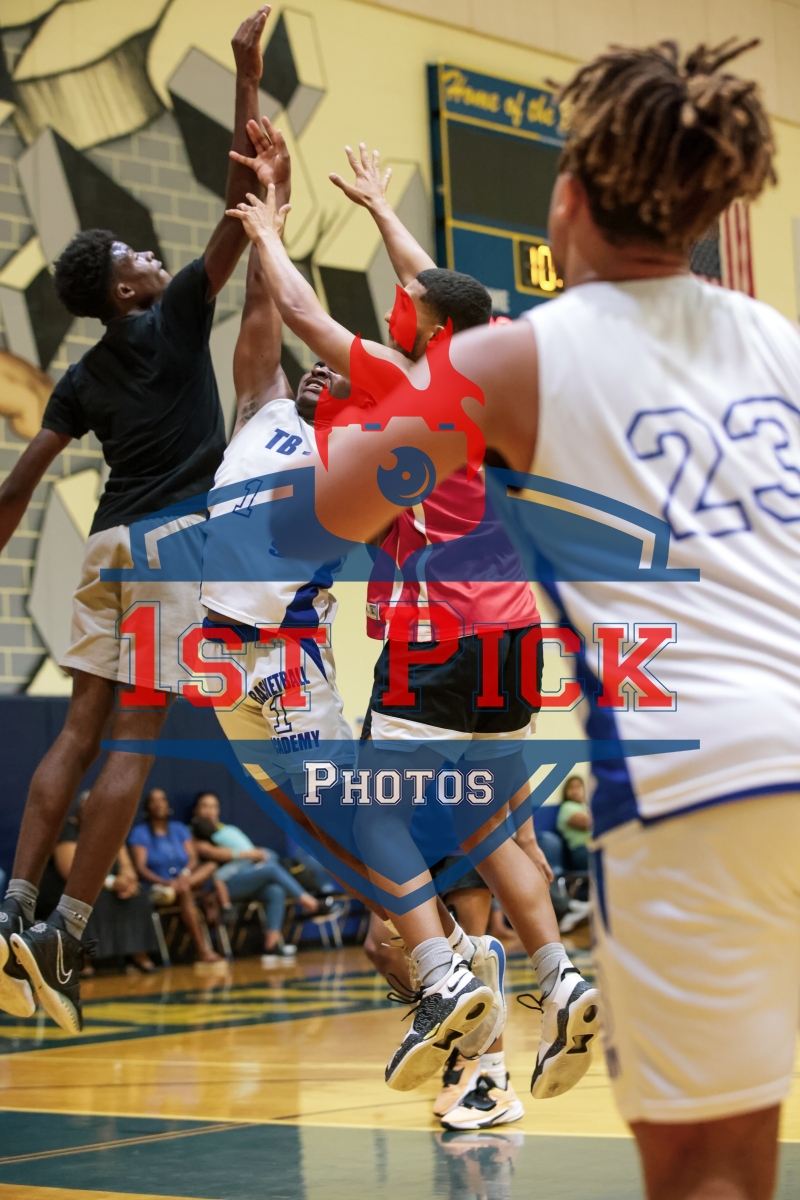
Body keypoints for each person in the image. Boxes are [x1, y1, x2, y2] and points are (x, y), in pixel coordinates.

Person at [308, 39, 794, 1200]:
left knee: (710, 1172)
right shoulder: (776, 342)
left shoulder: (519, 359)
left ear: (566, 196)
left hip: (694, 784)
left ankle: (465, 978)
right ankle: (536, 973)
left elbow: (340, 505)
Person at [227, 142, 598, 1101]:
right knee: (493, 827)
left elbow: (304, 315)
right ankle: (562, 979)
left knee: (376, 812)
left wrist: (267, 234)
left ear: (428, 327)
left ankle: (442, 979)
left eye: (407, 304)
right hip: (516, 638)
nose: (397, 302)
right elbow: (440, 288)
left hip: (439, 635)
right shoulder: (500, 365)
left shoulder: (405, 380)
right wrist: (383, 210)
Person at [0, 7, 275, 1034]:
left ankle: (13, 904)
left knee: (78, 727)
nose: (154, 254)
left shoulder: (79, 375)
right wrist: (244, 76)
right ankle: (66, 931)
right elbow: (242, 198)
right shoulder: (177, 314)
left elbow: (24, 477)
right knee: (136, 739)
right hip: (168, 547)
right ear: (125, 289)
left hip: (106, 545)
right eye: (136, 254)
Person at [36, 792, 158, 974]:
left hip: (107, 887)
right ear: (80, 809)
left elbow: (126, 864)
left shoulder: (111, 831)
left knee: (137, 896)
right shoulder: (67, 830)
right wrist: (112, 883)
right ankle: (82, 960)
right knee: (88, 901)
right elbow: (71, 872)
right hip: (67, 890)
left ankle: (138, 955)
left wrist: (129, 881)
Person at [190, 791, 323, 956]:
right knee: (271, 869)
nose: (209, 811)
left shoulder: (226, 830)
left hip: (245, 876)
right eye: (205, 806)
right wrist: (249, 854)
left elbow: (246, 849)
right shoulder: (195, 834)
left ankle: (271, 945)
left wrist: (255, 854)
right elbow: (212, 852)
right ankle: (311, 904)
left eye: (213, 806)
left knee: (275, 891)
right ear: (196, 810)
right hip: (222, 885)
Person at [128, 789, 223, 965]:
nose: (159, 804)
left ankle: (179, 887)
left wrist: (182, 877)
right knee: (185, 891)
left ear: (168, 804)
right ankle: (203, 951)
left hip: (185, 880)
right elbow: (141, 868)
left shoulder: (179, 829)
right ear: (147, 807)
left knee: (209, 866)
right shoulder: (139, 833)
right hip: (157, 886)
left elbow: (193, 859)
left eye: (162, 799)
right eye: (153, 800)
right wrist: (165, 882)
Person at [556, 775, 591, 873]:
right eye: (571, 787)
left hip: (592, 847)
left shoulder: (585, 806)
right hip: (581, 850)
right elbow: (587, 823)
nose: (575, 791)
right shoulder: (567, 807)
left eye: (578, 787)